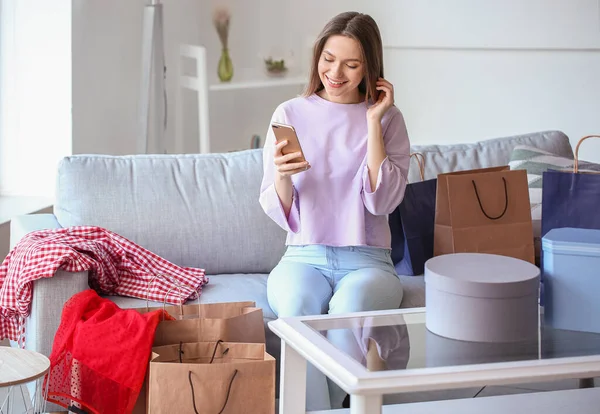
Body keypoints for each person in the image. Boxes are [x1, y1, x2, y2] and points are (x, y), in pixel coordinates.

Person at [259, 11, 410, 410]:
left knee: (350, 309)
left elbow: (382, 202)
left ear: (370, 68)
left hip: (369, 262)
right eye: (328, 58)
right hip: (302, 255)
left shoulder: (390, 119)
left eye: (351, 63)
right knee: (295, 308)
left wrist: (374, 121)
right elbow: (277, 208)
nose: (335, 72)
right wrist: (283, 176)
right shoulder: (289, 113)